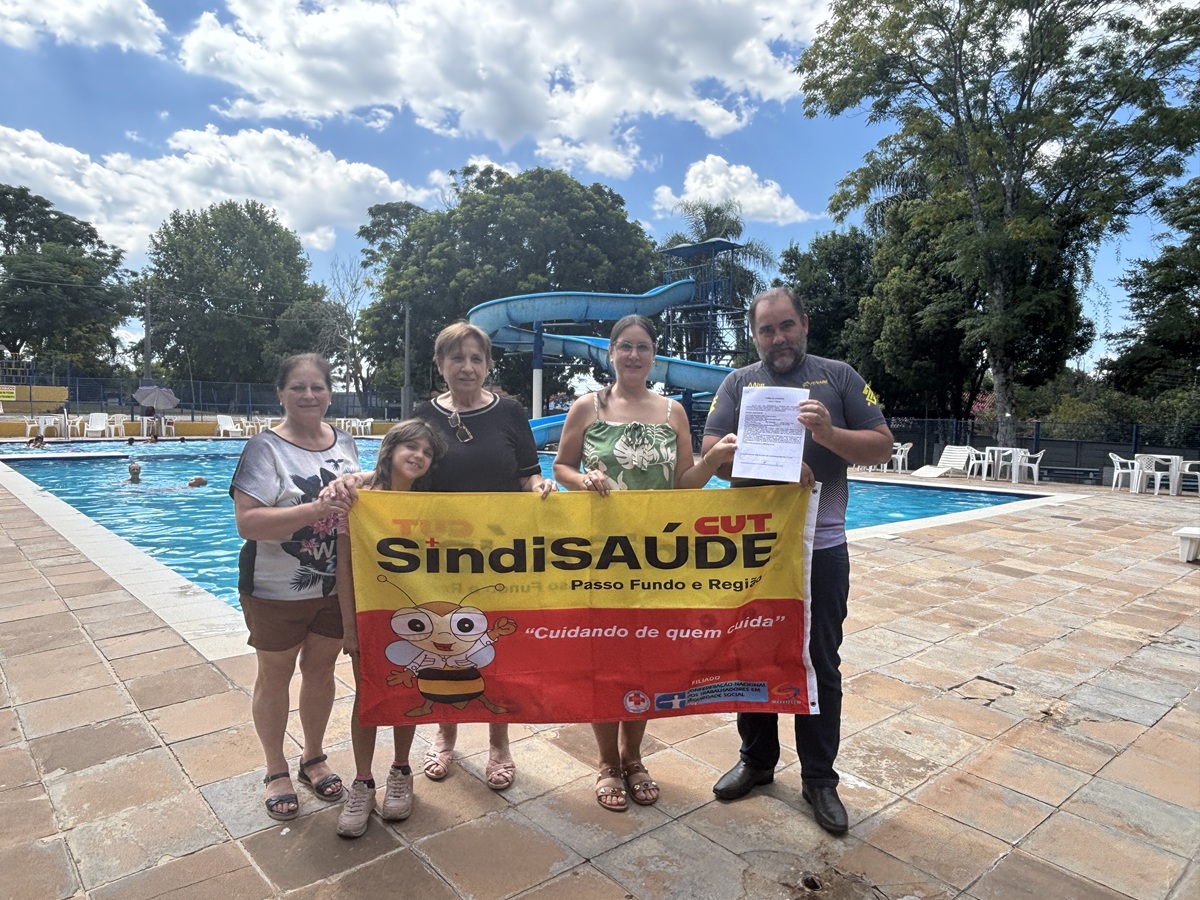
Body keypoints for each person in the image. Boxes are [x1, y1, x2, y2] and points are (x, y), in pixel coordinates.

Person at [704, 286, 892, 835]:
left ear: (804, 324)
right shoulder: (737, 383)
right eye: (766, 329)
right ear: (754, 335)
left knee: (819, 661)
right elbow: (712, 454)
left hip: (822, 545)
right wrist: (761, 462)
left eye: (786, 326)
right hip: (755, 548)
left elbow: (881, 446)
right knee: (752, 654)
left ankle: (819, 779)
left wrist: (828, 433)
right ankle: (757, 761)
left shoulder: (839, 377)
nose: (778, 338)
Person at [552, 315, 737, 811]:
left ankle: (633, 757)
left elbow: (683, 484)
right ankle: (606, 762)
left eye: (643, 347)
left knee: (643, 658)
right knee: (603, 657)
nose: (634, 355)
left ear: (654, 355)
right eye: (625, 346)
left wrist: (713, 460)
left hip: (655, 559)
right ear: (610, 352)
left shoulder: (673, 412)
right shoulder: (586, 407)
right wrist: (582, 481)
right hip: (599, 556)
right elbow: (561, 466)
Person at [412, 322, 557, 792]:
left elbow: (528, 474)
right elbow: (404, 477)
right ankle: (444, 735)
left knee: (497, 649)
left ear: (488, 364)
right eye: (457, 358)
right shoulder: (424, 416)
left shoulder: (510, 412)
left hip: (500, 556)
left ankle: (499, 742)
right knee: (442, 643)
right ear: (440, 365)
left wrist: (541, 487)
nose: (467, 367)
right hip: (442, 557)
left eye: (476, 358)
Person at [230, 353, 358, 822]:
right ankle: (275, 769)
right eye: (298, 387)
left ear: (330, 393)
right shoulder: (264, 448)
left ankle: (313, 757)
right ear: (280, 393)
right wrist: (318, 509)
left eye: (317, 387)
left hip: (335, 586)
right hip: (274, 588)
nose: (309, 395)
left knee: (321, 672)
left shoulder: (346, 442)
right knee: (275, 674)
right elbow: (248, 523)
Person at [334, 419, 448, 838]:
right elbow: (344, 567)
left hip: (411, 616)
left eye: (427, 452)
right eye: (411, 447)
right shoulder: (360, 498)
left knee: (407, 692)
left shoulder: (426, 504)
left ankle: (401, 770)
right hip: (369, 615)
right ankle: (363, 781)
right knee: (367, 696)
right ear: (391, 449)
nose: (418, 456)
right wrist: (350, 628)